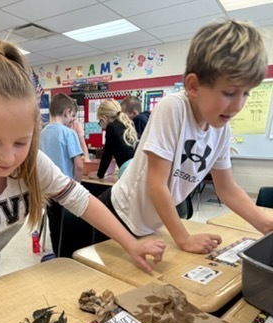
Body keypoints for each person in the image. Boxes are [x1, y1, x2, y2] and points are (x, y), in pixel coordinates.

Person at [0, 36, 165, 323]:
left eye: (21, 141)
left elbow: (81, 200)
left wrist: (131, 243)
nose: (8, 158)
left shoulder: (32, 163)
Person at [96, 19, 273, 253]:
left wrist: (266, 225)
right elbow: (156, 185)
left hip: (149, 224)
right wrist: (183, 239)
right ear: (193, 86)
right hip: (117, 216)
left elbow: (227, 188)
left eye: (246, 94)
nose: (238, 105)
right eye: (230, 93)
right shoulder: (173, 108)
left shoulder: (222, 129)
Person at [40, 93, 84, 255]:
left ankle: (58, 256)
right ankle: (70, 257)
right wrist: (77, 186)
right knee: (71, 229)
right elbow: (78, 165)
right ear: (66, 112)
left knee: (55, 227)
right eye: (72, 115)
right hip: (67, 191)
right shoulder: (69, 133)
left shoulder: (42, 134)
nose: (72, 119)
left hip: (49, 192)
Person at [90, 99, 138, 179]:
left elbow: (107, 155)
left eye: (100, 121)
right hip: (136, 167)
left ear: (104, 118)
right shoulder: (127, 124)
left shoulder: (111, 127)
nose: (101, 125)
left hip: (127, 170)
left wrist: (99, 175)